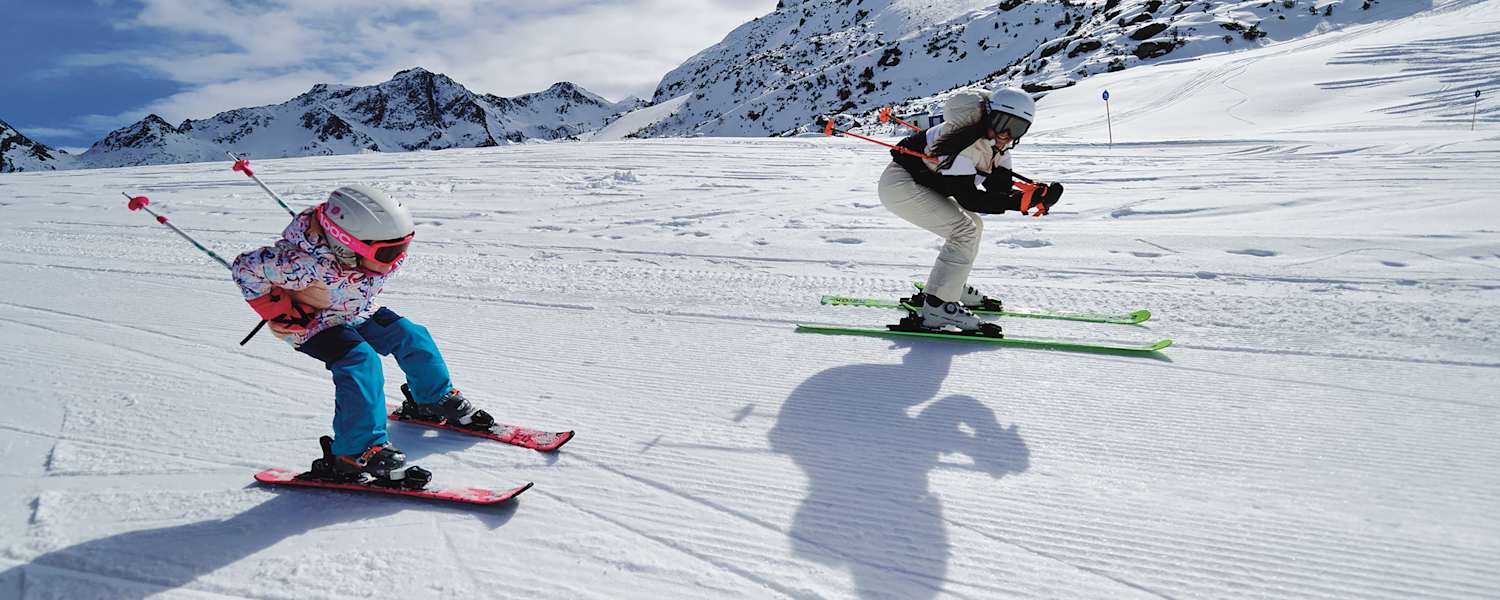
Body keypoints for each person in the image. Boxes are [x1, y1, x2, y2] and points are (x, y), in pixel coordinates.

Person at [231, 185, 494, 485]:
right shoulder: (301, 266)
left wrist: (379, 260)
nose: (397, 259)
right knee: (361, 362)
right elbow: (244, 269)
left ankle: (432, 399)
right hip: (312, 322)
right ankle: (354, 453)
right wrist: (276, 310)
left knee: (412, 336)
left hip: (355, 310)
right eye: (389, 252)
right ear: (346, 244)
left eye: (403, 247)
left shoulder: (368, 252)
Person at [879, 86, 1062, 332]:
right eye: (1002, 123)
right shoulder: (965, 140)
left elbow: (998, 191)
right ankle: (939, 306)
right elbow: (970, 199)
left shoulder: (999, 146)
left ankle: (948, 286)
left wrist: (1035, 196)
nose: (1006, 134)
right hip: (901, 184)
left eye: (1017, 128)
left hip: (922, 184)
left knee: (973, 226)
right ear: (989, 115)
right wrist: (1018, 202)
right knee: (964, 229)